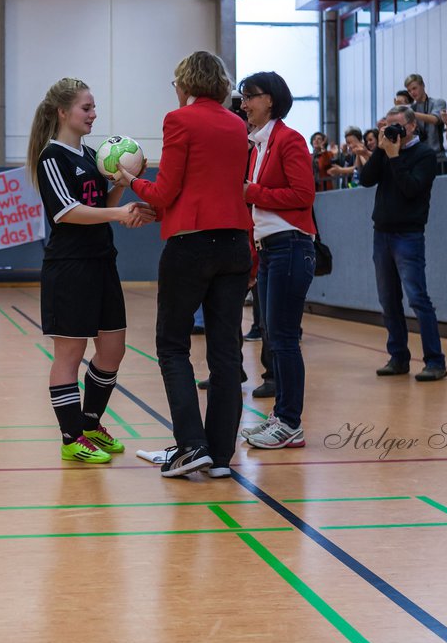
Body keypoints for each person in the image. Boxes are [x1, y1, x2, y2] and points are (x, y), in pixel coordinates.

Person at [112, 51, 253, 478]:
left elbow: (165, 190)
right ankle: (220, 454)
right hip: (234, 244)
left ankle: (192, 446)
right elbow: (208, 189)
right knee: (226, 352)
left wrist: (128, 180)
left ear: (186, 84)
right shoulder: (237, 123)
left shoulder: (179, 120)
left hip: (191, 248)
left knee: (172, 345)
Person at [26, 78, 153, 464]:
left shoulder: (92, 154)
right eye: (86, 108)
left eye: (94, 107)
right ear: (63, 112)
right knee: (70, 353)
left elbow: (103, 202)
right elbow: (66, 212)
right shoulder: (52, 157)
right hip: (70, 268)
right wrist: (118, 213)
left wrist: (122, 180)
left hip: (102, 263)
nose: (93, 114)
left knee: (112, 350)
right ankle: (71, 438)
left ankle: (90, 422)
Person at [234, 71, 317, 450]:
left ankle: (290, 422)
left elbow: (303, 195)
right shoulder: (257, 146)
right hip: (271, 249)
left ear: (270, 99)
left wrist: (255, 192)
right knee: (275, 336)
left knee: (283, 338)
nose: (244, 103)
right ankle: (282, 416)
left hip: (291, 246)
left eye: (249, 96)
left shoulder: (290, 140)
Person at [359, 106, 447, 381]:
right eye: (386, 126)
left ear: (411, 127)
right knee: (388, 300)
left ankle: (435, 361)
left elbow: (412, 189)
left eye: (395, 126)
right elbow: (365, 180)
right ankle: (398, 357)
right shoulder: (385, 152)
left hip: (408, 235)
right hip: (381, 233)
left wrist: (395, 157)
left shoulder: (425, 155)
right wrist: (381, 151)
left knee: (418, 298)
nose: (390, 131)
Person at [405, 74, 447, 155]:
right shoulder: (412, 108)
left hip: (437, 155)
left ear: (423, 85)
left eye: (414, 88)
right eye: (409, 91)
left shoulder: (438, 102)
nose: (412, 93)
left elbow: (435, 120)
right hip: (419, 156)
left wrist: (410, 113)